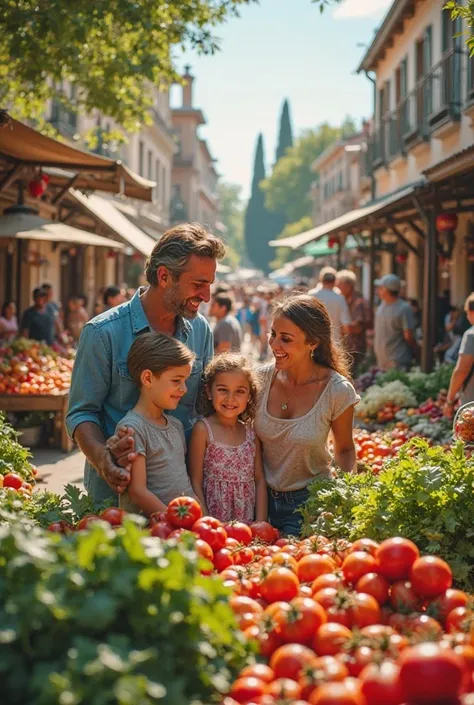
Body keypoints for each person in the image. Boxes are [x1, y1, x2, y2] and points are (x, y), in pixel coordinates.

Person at [66, 222, 225, 505]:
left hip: (181, 498)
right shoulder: (102, 333)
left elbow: (204, 408)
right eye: (198, 284)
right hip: (115, 498)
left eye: (210, 285)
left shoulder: (201, 331)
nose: (206, 296)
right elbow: (81, 413)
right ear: (164, 276)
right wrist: (104, 459)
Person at [254, 294, 360, 536]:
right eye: (273, 334)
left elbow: (344, 449)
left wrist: (345, 500)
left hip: (311, 503)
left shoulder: (337, 390)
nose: (274, 345)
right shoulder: (259, 380)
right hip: (259, 500)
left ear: (312, 342)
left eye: (286, 339)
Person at [118, 333, 196, 516]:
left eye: (185, 381)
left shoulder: (176, 426)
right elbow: (138, 492)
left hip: (183, 523)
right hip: (155, 531)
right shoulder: (133, 428)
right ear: (148, 379)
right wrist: (175, 520)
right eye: (176, 381)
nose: (184, 389)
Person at [189, 353, 267, 523]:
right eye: (223, 390)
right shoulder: (203, 430)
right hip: (213, 524)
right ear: (209, 391)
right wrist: (208, 523)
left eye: (239, 391)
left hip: (246, 525)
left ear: (249, 396)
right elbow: (195, 481)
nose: (230, 399)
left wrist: (260, 524)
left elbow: (260, 479)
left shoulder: (251, 434)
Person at [373, 274, 418, 371]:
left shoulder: (404, 308)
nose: (378, 291)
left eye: (380, 288)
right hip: (382, 362)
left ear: (386, 290)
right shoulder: (381, 307)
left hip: (398, 361)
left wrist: (417, 350)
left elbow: (408, 336)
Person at [336, 270, 371, 374]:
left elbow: (358, 327)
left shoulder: (358, 301)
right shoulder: (343, 300)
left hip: (355, 348)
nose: (337, 288)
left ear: (348, 286)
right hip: (347, 347)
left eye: (339, 285)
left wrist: (341, 327)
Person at [444, 294, 474, 416]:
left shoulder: (471, 335)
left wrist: (450, 400)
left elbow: (462, 370)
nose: (467, 316)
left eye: (467, 312)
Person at [309, 267, 351, 342]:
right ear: (335, 281)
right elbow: (346, 326)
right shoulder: (340, 298)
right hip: (334, 341)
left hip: (313, 340)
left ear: (321, 280)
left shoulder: (311, 295)